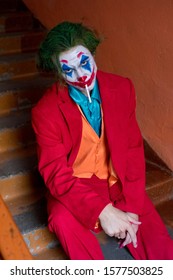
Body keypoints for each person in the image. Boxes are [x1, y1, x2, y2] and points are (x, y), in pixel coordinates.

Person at [32, 21, 173, 260]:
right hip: (76, 186)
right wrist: (103, 212)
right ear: (59, 74)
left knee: (162, 253)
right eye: (69, 70)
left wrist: (131, 206)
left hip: (115, 181)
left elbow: (133, 150)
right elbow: (55, 173)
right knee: (60, 217)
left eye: (84, 62)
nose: (81, 74)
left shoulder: (122, 88)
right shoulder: (44, 111)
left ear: (93, 54)